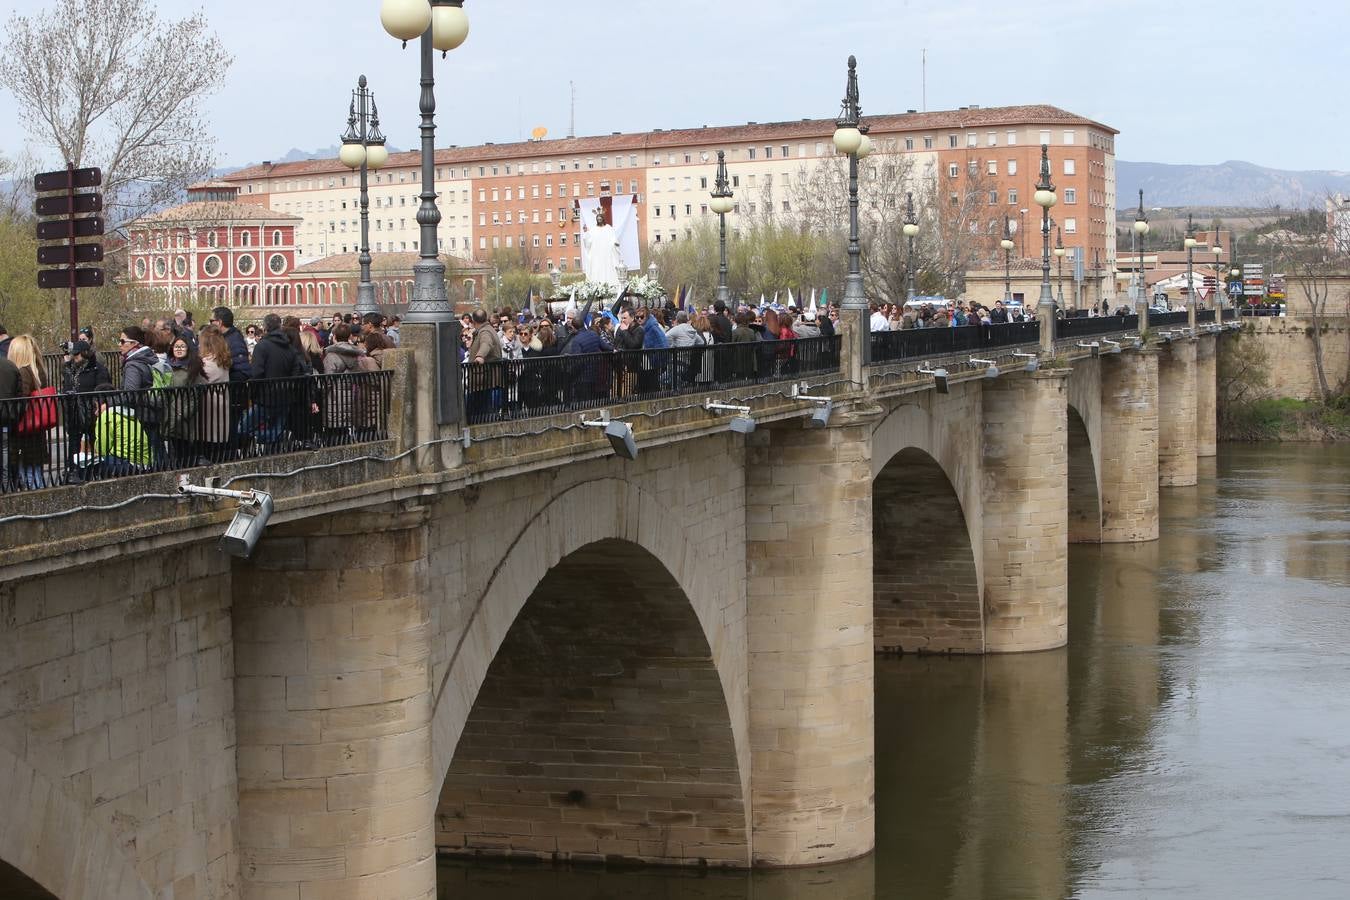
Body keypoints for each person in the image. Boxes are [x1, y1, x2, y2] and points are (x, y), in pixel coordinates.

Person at [7, 336, 53, 489]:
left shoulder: (23, 372)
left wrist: (11, 416)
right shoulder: (38, 370)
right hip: (36, 429)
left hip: (24, 431)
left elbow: (22, 401)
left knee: (28, 474)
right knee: (34, 471)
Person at [581, 207, 625, 293]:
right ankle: (597, 288)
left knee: (609, 269)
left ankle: (611, 287)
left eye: (600, 219)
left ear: (603, 219)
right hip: (597, 256)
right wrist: (586, 233)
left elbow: (614, 238)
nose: (599, 220)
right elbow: (588, 242)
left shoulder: (609, 228)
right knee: (597, 270)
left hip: (607, 255)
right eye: (598, 219)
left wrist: (615, 243)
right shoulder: (593, 230)